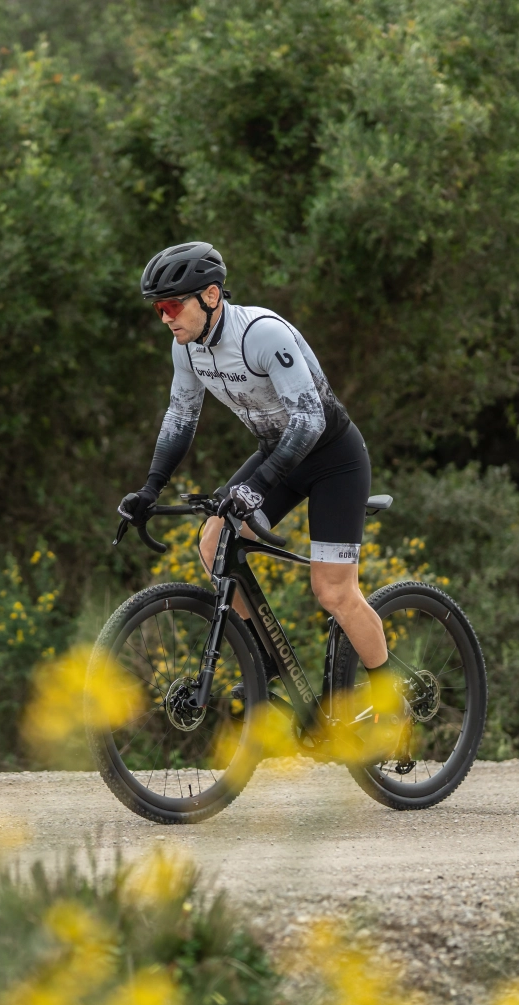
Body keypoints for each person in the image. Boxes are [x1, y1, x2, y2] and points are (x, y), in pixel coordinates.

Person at [118, 241, 396, 691]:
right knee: (213, 544)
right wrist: (151, 488)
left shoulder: (261, 334)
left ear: (211, 296)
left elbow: (310, 419)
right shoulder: (186, 348)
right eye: (158, 310)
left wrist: (257, 485)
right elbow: (180, 418)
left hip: (333, 459)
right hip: (278, 453)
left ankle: (390, 699)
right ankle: (264, 667)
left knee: (333, 592)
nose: (166, 317)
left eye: (171, 305)